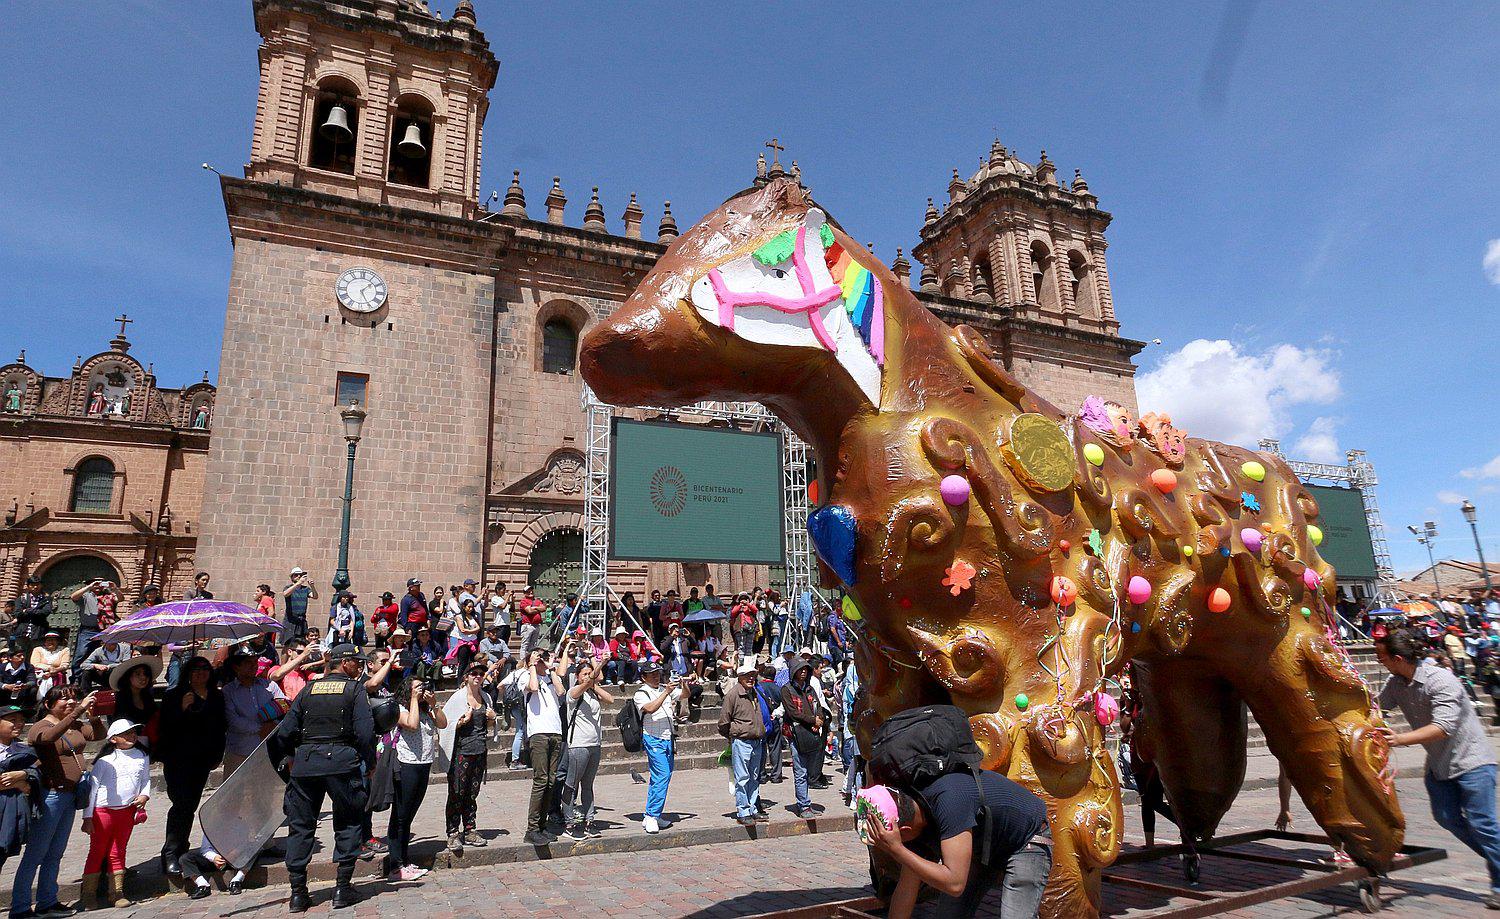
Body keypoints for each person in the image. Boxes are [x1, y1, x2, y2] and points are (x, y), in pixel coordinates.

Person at [1375, 630, 1500, 908]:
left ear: (1397, 658)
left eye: (1382, 657)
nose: (1378, 661)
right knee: (1446, 818)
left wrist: (1400, 739)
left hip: (1472, 763)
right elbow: (1376, 706)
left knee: (1483, 825)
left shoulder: (1441, 680)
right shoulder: (1396, 683)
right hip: (1439, 767)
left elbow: (1442, 727)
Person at [859, 770, 1052, 919]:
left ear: (905, 831)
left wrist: (897, 849)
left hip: (1025, 840)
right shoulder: (909, 814)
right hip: (981, 842)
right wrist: (899, 849)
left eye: (893, 841)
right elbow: (907, 888)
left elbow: (955, 884)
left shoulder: (948, 803)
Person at [271, 644, 376, 912]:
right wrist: (369, 763)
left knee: (301, 825)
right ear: (344, 663)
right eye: (356, 661)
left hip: (306, 764)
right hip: (342, 762)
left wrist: (293, 756)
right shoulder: (355, 690)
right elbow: (365, 733)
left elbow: (285, 732)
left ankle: (298, 893)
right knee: (349, 821)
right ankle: (342, 888)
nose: (360, 666)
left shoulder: (307, 691)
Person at [12, 687, 104, 917]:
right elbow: (48, 738)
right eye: (64, 698)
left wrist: (92, 715)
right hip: (51, 795)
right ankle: (21, 907)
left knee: (55, 853)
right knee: (36, 853)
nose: (71, 702)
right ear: (48, 704)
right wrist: (77, 712)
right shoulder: (41, 726)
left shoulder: (73, 725)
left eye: (73, 698)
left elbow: (98, 735)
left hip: (71, 794)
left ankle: (47, 902)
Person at [157, 655, 226, 878]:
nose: (200, 673)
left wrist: (217, 754)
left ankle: (181, 847)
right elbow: (166, 727)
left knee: (190, 804)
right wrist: (182, 708)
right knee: (181, 805)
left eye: (204, 668)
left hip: (202, 759)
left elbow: (220, 726)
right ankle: (170, 853)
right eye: (195, 669)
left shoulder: (216, 696)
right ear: (187, 673)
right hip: (178, 759)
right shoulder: (174, 696)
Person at [81, 719, 151, 909]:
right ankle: (88, 894)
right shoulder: (104, 761)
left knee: (118, 851)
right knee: (97, 851)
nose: (132, 736)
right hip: (102, 811)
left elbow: (145, 780)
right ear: (113, 739)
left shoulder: (142, 756)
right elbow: (93, 789)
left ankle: (117, 892)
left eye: (133, 733)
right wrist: (88, 817)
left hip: (126, 811)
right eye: (126, 734)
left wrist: (144, 795)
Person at [387, 676, 444, 881]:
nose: (421, 690)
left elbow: (443, 723)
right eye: (417, 687)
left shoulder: (426, 710)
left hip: (423, 764)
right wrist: (413, 698)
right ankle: (396, 865)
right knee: (400, 815)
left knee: (409, 814)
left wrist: (433, 705)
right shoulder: (400, 709)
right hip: (406, 764)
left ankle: (404, 860)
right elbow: (411, 725)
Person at [634, 661, 692, 833]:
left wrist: (683, 683)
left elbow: (684, 695)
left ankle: (652, 813)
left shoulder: (663, 689)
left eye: (658, 673)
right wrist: (666, 692)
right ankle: (652, 815)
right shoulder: (641, 693)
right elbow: (650, 708)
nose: (656, 676)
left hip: (668, 738)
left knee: (659, 777)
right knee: (662, 775)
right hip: (653, 738)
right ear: (644, 677)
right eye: (652, 674)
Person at [561, 652, 612, 841]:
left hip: (594, 744)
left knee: (588, 785)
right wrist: (600, 665)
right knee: (571, 784)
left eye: (589, 673)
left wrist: (594, 685)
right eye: (584, 674)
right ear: (577, 677)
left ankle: (589, 821)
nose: (587, 676)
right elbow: (587, 682)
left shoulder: (593, 693)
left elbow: (611, 699)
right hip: (579, 745)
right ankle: (569, 823)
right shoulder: (573, 693)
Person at [446, 662, 495, 853]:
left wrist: (491, 717)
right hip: (461, 751)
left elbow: (487, 727)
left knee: (472, 793)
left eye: (481, 674)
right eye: (474, 673)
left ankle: (469, 829)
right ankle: (452, 832)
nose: (478, 676)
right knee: (457, 792)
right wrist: (460, 722)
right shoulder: (457, 699)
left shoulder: (486, 697)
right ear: (466, 676)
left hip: (479, 750)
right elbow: (445, 724)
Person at [523, 646, 567, 845]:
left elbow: (561, 691)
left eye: (544, 657)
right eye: (540, 658)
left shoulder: (551, 678)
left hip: (555, 732)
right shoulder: (526, 676)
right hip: (538, 734)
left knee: (551, 780)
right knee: (541, 780)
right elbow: (532, 687)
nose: (543, 660)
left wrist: (550, 669)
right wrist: (532, 664)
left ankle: (542, 825)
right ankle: (532, 828)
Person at [720, 656, 769, 826]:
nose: (751, 678)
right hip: (741, 741)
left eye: (753, 675)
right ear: (740, 677)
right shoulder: (733, 695)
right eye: (747, 675)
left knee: (754, 777)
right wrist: (733, 736)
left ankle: (752, 808)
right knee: (742, 777)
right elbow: (723, 722)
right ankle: (742, 810)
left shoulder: (754, 692)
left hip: (756, 740)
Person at [221, 649, 287, 775]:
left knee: (264, 792)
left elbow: (284, 705)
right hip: (239, 751)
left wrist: (273, 725)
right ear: (236, 667)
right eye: (248, 662)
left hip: (267, 750)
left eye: (255, 661)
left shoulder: (270, 686)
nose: (254, 665)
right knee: (237, 793)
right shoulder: (228, 691)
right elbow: (233, 720)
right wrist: (260, 729)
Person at [781, 659, 826, 818]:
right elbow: (793, 713)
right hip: (796, 734)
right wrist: (812, 720)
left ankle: (806, 802)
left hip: (812, 733)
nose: (803, 672)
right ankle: (803, 805)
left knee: (809, 771)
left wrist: (818, 721)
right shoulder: (787, 690)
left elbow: (818, 707)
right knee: (800, 772)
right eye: (800, 669)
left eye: (805, 669)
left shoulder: (810, 689)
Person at [0, 704, 37, 875]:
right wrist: (17, 782)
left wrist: (23, 773)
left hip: (9, 817)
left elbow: (37, 775)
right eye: (12, 720)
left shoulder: (24, 751)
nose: (19, 724)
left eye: (22, 720)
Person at [109, 654, 163, 748]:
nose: (143, 677)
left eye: (146, 674)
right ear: (128, 677)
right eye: (137, 674)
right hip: (127, 744)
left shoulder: (147, 696)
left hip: (149, 742)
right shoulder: (119, 699)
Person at [68, 579, 119, 671]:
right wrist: (89, 587)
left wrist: (115, 588)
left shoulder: (109, 596)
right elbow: (73, 596)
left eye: (100, 584)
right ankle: (76, 678)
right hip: (88, 631)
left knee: (102, 654)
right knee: (81, 654)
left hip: (104, 630)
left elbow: (121, 598)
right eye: (95, 584)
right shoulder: (85, 596)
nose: (98, 586)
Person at [13, 576, 53, 653]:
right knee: (18, 655)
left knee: (35, 657)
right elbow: (17, 613)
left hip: (38, 634)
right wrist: (36, 611)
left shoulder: (46, 600)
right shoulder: (21, 599)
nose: (35, 587)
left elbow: (45, 612)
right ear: (28, 586)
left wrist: (28, 610)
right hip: (22, 633)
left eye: (37, 584)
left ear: (41, 585)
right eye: (32, 585)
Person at [282, 567, 318, 642]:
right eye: (296, 575)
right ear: (292, 577)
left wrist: (312, 586)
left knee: (302, 642)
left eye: (300, 575)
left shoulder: (306, 589)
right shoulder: (288, 587)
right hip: (290, 620)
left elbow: (315, 596)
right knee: (288, 642)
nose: (298, 576)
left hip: (301, 620)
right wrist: (298, 583)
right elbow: (285, 594)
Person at [29, 632, 69, 698]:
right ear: (45, 642)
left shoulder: (65, 650)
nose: (51, 642)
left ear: (57, 641)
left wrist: (55, 670)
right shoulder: (37, 649)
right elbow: (34, 664)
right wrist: (49, 668)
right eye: (48, 640)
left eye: (53, 640)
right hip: (40, 674)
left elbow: (65, 665)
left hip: (57, 673)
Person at [730, 594, 758, 658]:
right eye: (742, 599)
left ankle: (747, 663)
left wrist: (748, 604)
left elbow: (755, 610)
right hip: (740, 629)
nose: (743, 600)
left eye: (745, 599)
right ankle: (742, 663)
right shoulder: (737, 606)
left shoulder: (750, 606)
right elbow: (733, 613)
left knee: (749, 647)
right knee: (741, 647)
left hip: (751, 629)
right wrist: (740, 605)